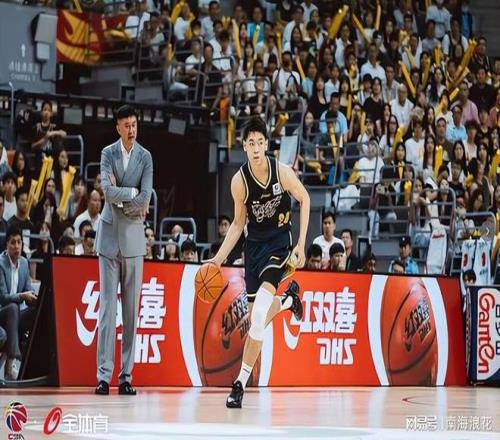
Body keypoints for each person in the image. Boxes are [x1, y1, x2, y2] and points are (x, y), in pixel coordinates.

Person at [210, 116, 310, 408]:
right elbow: (238, 224)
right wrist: (217, 259)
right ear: (244, 146)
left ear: (267, 144)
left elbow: (304, 199)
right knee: (257, 317)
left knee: (256, 319)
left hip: (278, 245)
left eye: (260, 142)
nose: (255, 148)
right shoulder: (239, 182)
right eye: (250, 143)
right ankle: (289, 301)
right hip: (252, 249)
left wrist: (301, 243)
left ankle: (239, 384)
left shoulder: (282, 172)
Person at [94, 105, 153, 396]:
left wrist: (125, 197)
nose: (131, 130)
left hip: (133, 241)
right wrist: (131, 194)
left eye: (134, 125)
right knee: (108, 311)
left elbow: (146, 197)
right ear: (117, 127)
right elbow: (107, 191)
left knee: (131, 313)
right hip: (108, 240)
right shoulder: (107, 153)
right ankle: (103, 377)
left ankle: (126, 377)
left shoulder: (146, 157)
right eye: (126, 125)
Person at [0, 227, 38, 380]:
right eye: (12, 242)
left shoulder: (24, 263)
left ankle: (36, 362)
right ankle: (12, 360)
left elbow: (29, 288)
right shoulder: (0, 264)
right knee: (13, 308)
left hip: (16, 315)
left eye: (19, 242)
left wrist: (34, 298)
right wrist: (22, 296)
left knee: (38, 310)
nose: (16, 246)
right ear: (6, 245)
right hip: (3, 312)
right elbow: (3, 298)